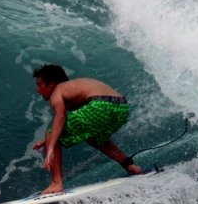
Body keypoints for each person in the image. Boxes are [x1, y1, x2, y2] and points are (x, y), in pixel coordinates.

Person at [32, 64, 143, 194]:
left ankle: (57, 183)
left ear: (51, 84)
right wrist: (47, 141)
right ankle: (130, 166)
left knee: (50, 133)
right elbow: (71, 125)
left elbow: (60, 117)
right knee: (94, 137)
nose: (38, 90)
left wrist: (50, 146)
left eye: (39, 84)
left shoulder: (57, 91)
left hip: (100, 105)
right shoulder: (73, 87)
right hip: (121, 107)